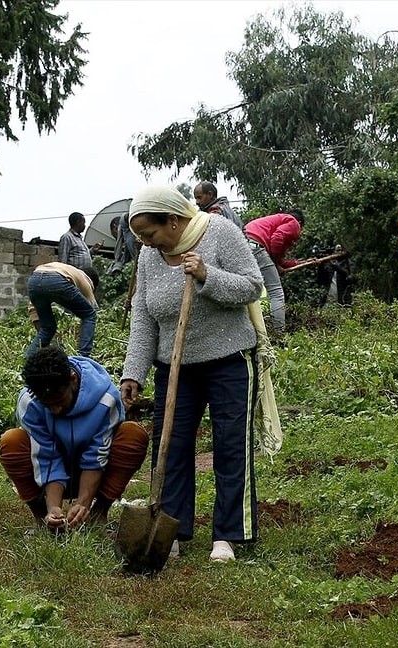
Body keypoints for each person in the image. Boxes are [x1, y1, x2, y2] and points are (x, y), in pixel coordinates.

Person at [119, 185, 264, 563]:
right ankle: (172, 528)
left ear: (173, 219)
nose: (145, 243)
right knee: (171, 447)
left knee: (230, 446)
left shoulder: (220, 233)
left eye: (149, 234)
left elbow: (251, 287)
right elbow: (143, 316)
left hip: (229, 361)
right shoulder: (151, 256)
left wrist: (206, 274)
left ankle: (227, 536)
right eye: (140, 238)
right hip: (174, 367)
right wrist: (133, 372)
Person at [0, 346, 149, 532]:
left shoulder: (107, 398)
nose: (55, 410)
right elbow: (46, 456)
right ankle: (43, 519)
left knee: (132, 435)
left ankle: (96, 515)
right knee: (11, 441)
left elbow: (96, 455)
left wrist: (83, 504)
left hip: (95, 474)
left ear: (73, 379)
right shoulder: (29, 402)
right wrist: (54, 507)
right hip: (47, 478)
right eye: (48, 405)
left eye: (60, 401)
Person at [243, 210, 305, 334]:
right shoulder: (293, 222)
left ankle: (250, 332)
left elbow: (278, 260)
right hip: (255, 247)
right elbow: (277, 239)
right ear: (299, 222)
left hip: (243, 246)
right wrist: (276, 264)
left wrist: (301, 263)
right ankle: (279, 334)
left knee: (247, 291)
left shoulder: (273, 224)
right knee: (276, 292)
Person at [25, 262, 99, 360]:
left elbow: (33, 308)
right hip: (56, 280)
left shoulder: (69, 270)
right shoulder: (86, 280)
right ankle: (83, 358)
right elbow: (91, 310)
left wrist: (42, 329)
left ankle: (29, 359)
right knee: (89, 315)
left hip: (34, 280)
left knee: (48, 328)